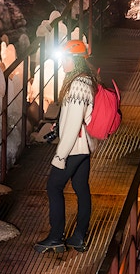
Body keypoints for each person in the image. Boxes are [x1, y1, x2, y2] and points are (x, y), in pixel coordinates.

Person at [34, 39, 98, 253]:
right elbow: (72, 118)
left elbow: (72, 126)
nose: (62, 63)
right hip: (84, 147)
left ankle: (56, 237)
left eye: (65, 59)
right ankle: (78, 236)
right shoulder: (86, 80)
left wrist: (60, 156)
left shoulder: (78, 85)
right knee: (81, 189)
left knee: (53, 187)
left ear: (75, 60)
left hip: (74, 148)